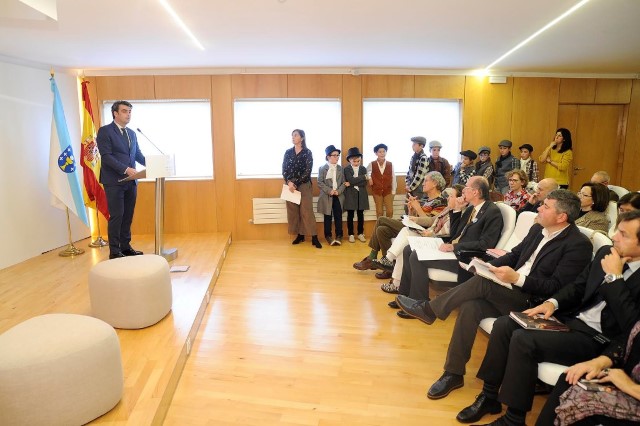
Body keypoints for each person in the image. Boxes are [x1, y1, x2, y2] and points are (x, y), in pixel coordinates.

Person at [395, 190, 592, 401]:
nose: (539, 208)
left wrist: (517, 279)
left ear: (561, 217)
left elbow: (556, 287)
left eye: (546, 206)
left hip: (534, 302)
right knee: (471, 306)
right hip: (510, 290)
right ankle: (453, 373)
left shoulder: (578, 245)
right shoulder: (538, 230)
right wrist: (487, 267)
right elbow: (514, 255)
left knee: (482, 284)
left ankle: (429, 309)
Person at [456, 210, 640, 426]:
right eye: (617, 231)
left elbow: (633, 327)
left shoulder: (614, 267)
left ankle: (513, 419)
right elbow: (578, 287)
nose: (615, 237)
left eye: (624, 235)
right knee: (506, 324)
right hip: (572, 321)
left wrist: (614, 278)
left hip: (601, 341)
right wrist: (552, 303)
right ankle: (489, 397)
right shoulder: (607, 253)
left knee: (524, 340)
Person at [395, 176, 504, 313]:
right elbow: (456, 233)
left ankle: (418, 303)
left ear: (475, 192)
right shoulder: (471, 209)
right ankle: (404, 296)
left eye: (466, 188)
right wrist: (457, 210)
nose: (463, 190)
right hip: (453, 251)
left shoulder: (492, 212)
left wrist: (454, 247)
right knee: (408, 249)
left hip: (464, 258)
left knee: (417, 256)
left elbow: (486, 244)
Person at [536, 319, 640, 426]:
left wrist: (629, 385)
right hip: (628, 377)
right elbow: (625, 339)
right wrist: (598, 362)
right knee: (571, 377)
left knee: (583, 407)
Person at [353, 172, 447, 279]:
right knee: (381, 230)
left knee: (381, 219)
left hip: (423, 233)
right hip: (413, 228)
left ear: (434, 183)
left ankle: (372, 256)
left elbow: (431, 223)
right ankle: (389, 267)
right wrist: (412, 210)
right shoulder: (426, 200)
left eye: (426, 181)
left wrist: (418, 208)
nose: (423, 184)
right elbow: (416, 219)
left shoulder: (441, 201)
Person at [381, 184, 463, 295]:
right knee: (401, 242)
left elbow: (451, 235)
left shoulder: (455, 211)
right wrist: (414, 218)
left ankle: (388, 260)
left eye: (451, 196)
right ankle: (396, 282)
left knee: (400, 230)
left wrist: (430, 233)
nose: (448, 198)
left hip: (436, 240)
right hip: (429, 233)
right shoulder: (448, 209)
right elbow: (433, 220)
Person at [97, 100, 146, 259]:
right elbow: (106, 157)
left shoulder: (131, 133)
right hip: (114, 181)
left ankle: (125, 247)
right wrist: (125, 169)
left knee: (128, 215)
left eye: (130, 111)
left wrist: (154, 163)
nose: (128, 114)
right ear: (115, 113)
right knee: (117, 215)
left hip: (131, 181)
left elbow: (137, 155)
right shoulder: (105, 131)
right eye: (125, 111)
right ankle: (115, 251)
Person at [283, 129, 322, 248]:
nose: (293, 137)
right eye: (292, 135)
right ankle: (300, 235)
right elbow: (284, 169)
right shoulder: (288, 152)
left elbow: (308, 171)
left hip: (304, 184)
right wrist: (289, 182)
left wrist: (296, 183)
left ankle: (314, 237)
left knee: (307, 211)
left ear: (302, 138)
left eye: (295, 135)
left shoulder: (307, 152)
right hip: (290, 185)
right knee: (293, 211)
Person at [317, 145, 346, 246]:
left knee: (338, 216)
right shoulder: (322, 168)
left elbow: (344, 182)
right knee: (327, 217)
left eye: (338, 155)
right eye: (334, 155)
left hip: (338, 195)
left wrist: (339, 191)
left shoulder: (340, 169)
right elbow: (320, 182)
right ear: (328, 157)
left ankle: (339, 236)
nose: (337, 157)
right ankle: (328, 236)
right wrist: (330, 191)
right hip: (327, 196)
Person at [343, 147, 369, 243]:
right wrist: (363, 177)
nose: (357, 163)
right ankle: (351, 234)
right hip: (350, 194)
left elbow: (364, 184)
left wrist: (351, 183)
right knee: (350, 215)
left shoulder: (363, 168)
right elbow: (351, 179)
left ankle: (360, 233)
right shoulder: (347, 169)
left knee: (360, 214)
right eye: (354, 161)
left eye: (358, 161)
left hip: (361, 194)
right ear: (350, 160)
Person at [367, 143, 396, 218]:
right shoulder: (372, 164)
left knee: (390, 211)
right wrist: (369, 178)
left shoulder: (390, 164)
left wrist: (393, 191)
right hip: (377, 191)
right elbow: (365, 172)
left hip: (388, 191)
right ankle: (380, 228)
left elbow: (393, 177)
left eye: (384, 151)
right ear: (376, 153)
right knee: (379, 212)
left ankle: (388, 227)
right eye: (380, 152)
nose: (382, 153)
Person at [405, 136, 429, 211]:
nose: (412, 146)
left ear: (421, 146)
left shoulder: (423, 158)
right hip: (411, 186)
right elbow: (409, 172)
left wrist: (410, 187)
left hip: (418, 189)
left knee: (417, 208)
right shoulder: (414, 156)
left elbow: (419, 176)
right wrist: (407, 183)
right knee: (407, 207)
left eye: (415, 144)